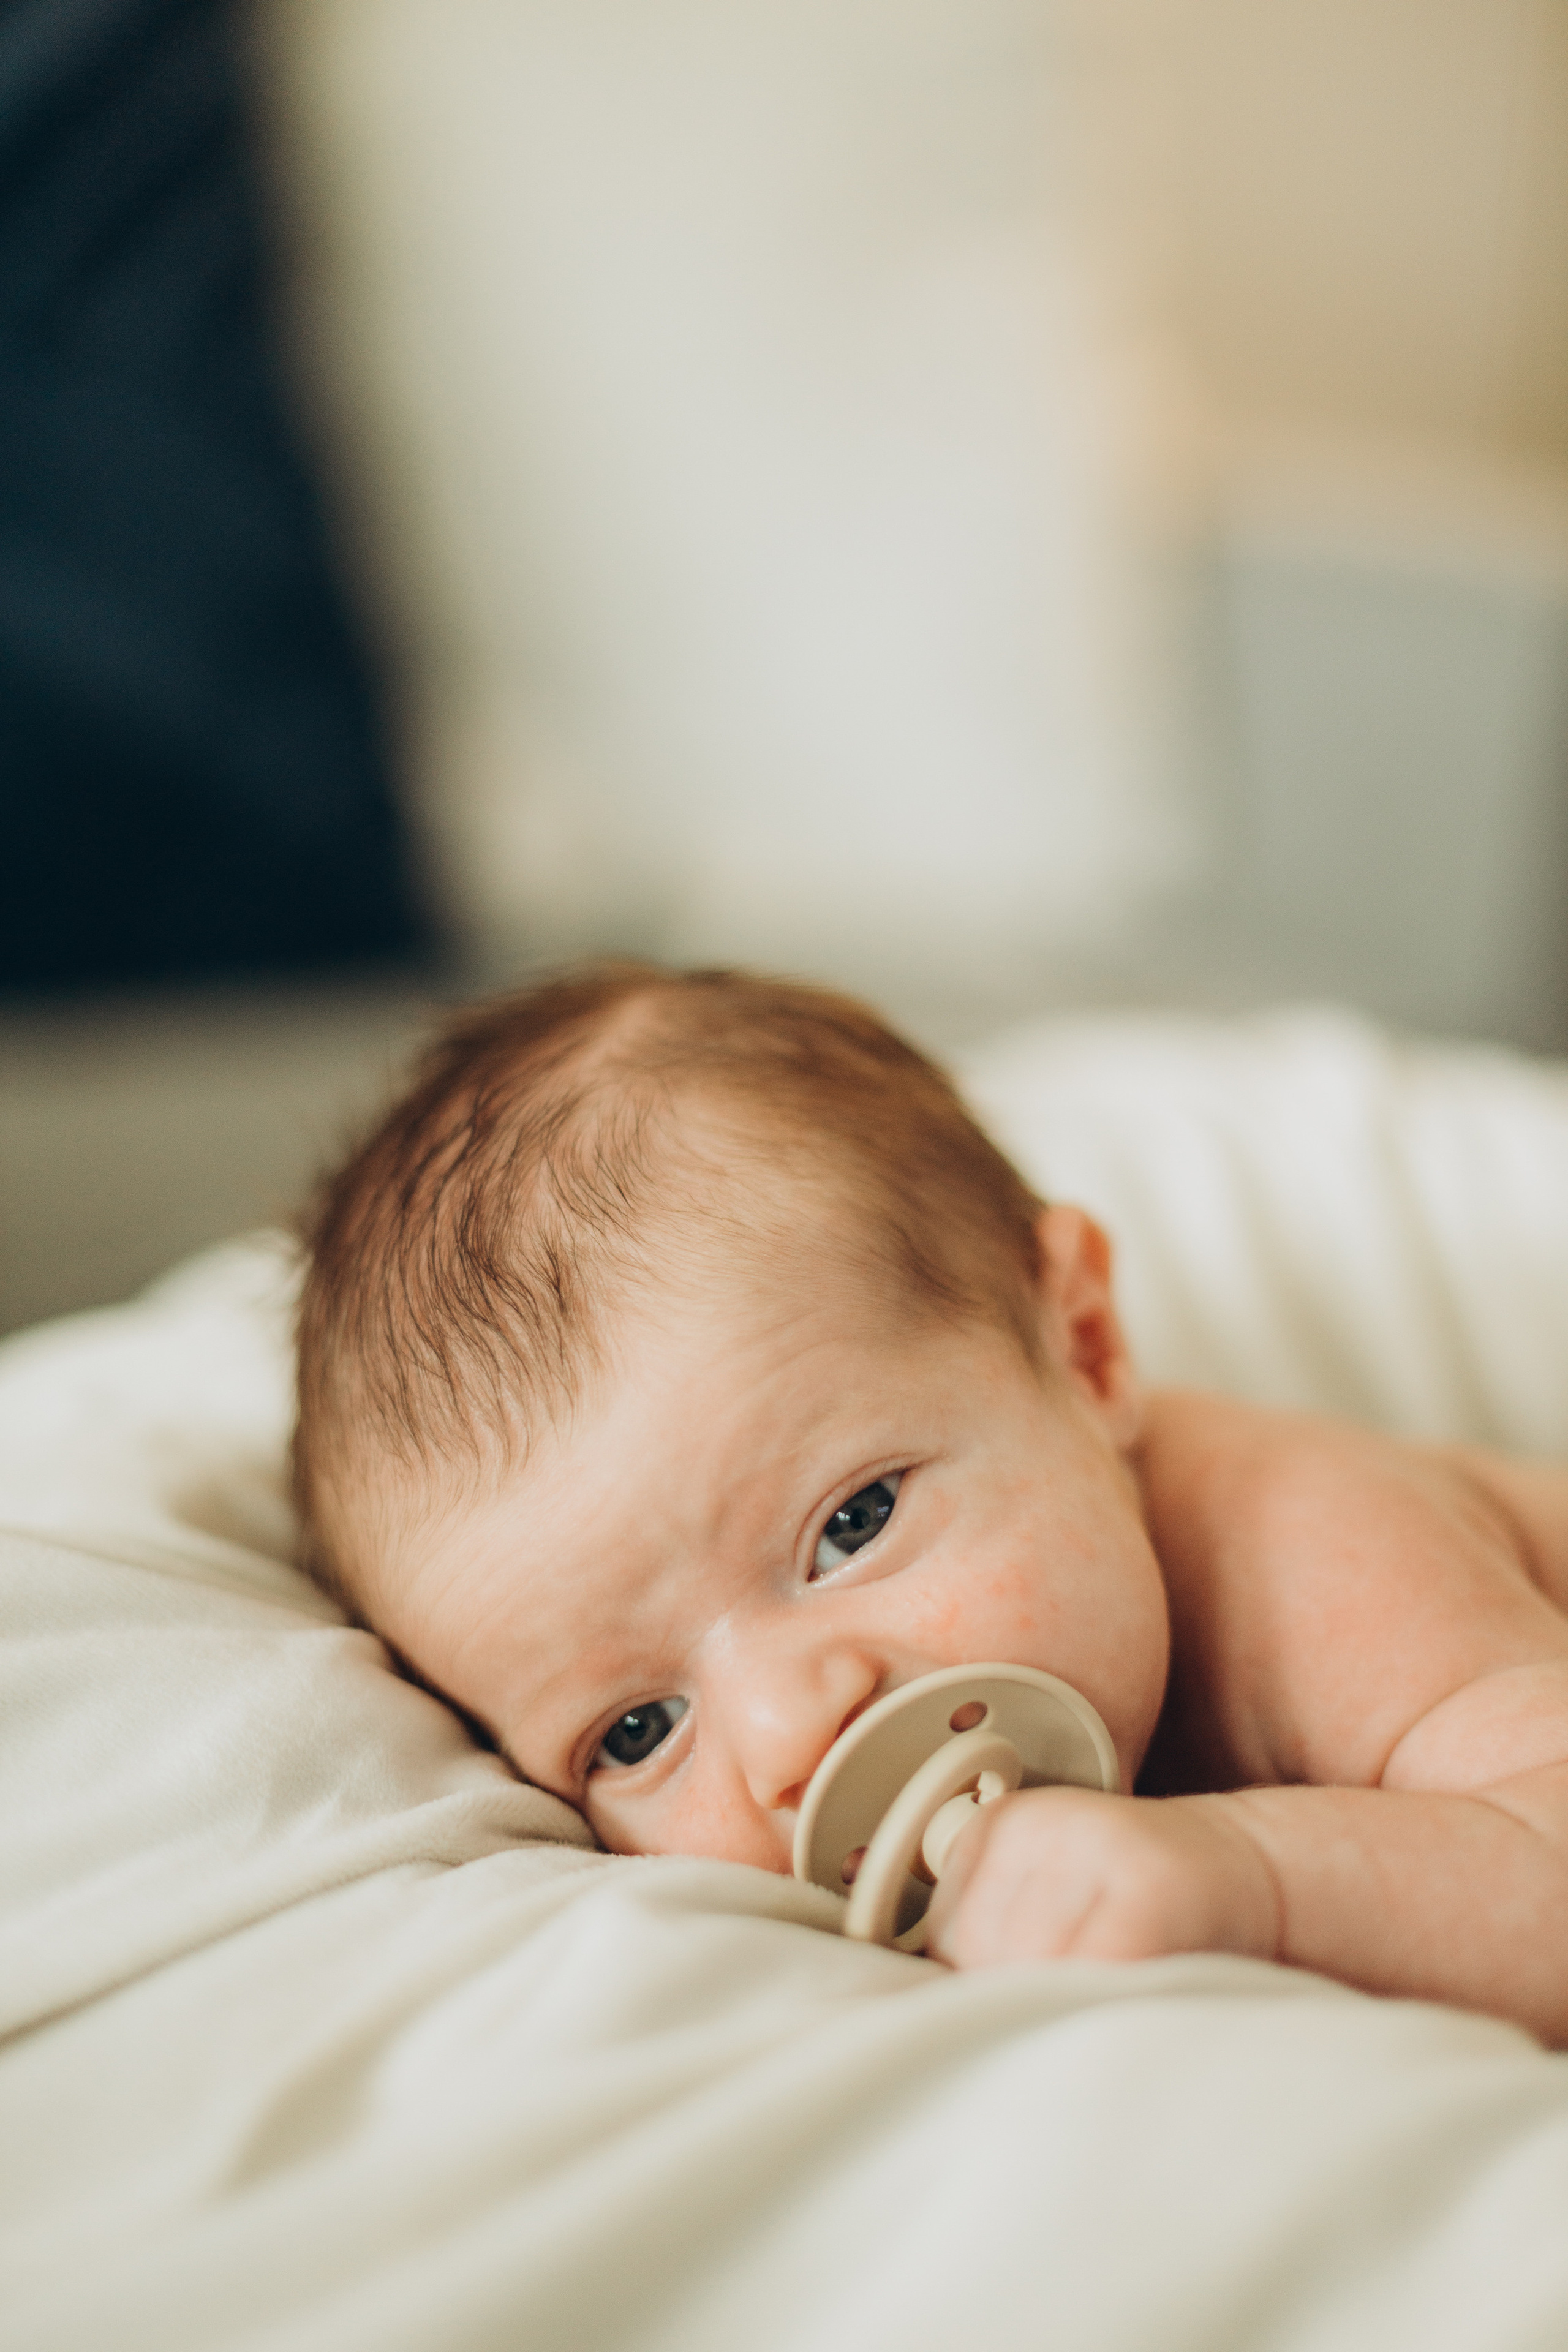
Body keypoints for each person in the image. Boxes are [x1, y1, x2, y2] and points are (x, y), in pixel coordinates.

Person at [294, 964, 1568, 2041]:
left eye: (852, 1526)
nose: (790, 1737)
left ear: (1084, 1350)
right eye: (635, 1733)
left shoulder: (1303, 1555)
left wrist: (1257, 1883)